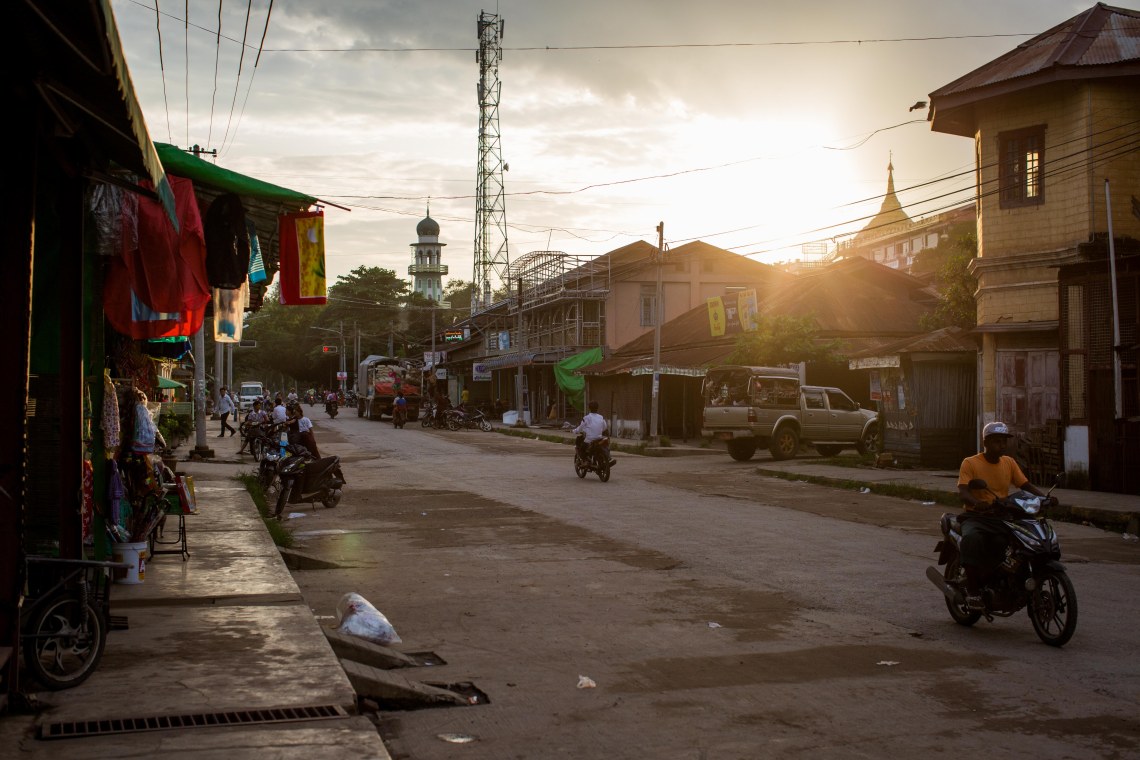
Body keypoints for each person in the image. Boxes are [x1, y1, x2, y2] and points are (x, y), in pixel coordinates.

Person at [957, 421, 1056, 612]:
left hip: (1003, 517)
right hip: (977, 517)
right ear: (986, 442)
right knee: (971, 539)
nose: (1001, 445)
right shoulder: (970, 463)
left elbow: (1025, 485)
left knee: (1017, 543)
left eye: (1004, 442)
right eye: (997, 441)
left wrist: (1045, 498)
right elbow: (963, 491)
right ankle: (973, 590)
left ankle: (1006, 581)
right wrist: (977, 503)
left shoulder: (1009, 462)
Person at [573, 400, 614, 466]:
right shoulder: (601, 417)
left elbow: (580, 427)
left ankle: (586, 460)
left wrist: (574, 431)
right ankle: (608, 458)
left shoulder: (587, 418)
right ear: (597, 408)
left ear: (589, 408)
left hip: (589, 439)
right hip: (599, 438)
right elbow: (604, 427)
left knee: (580, 446)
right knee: (605, 445)